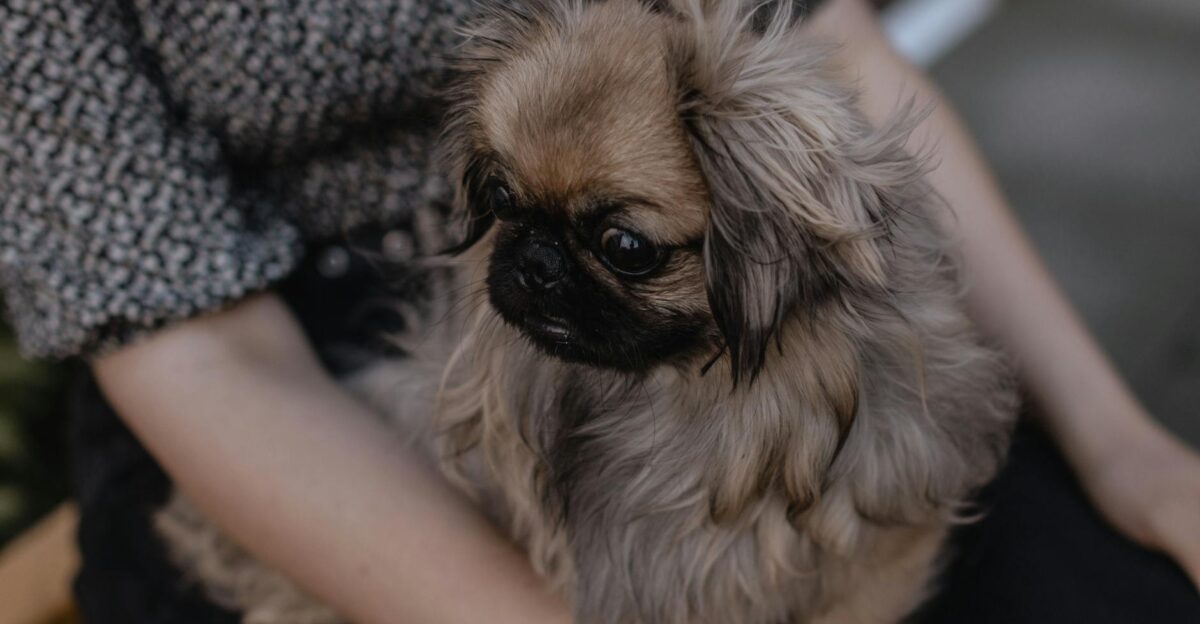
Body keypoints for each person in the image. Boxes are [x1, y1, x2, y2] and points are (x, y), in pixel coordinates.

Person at [1, 0, 1196, 622]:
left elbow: (832, 55)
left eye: (615, 242)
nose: (548, 261)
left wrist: (1120, 444)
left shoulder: (790, 224)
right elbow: (179, 338)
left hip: (755, 341)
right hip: (285, 389)